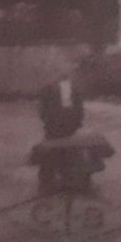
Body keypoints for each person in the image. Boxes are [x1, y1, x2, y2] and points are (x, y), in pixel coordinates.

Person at [34, 65, 86, 193]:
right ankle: (67, 180)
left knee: (50, 152)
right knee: (67, 151)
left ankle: (46, 182)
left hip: (53, 126)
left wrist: (46, 122)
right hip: (69, 127)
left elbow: (42, 109)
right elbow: (80, 110)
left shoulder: (48, 88)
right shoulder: (75, 89)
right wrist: (77, 123)